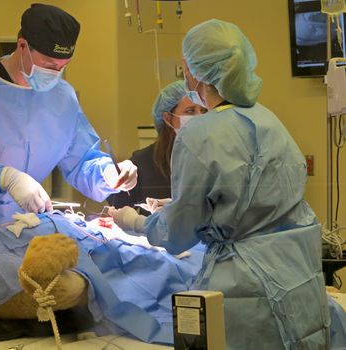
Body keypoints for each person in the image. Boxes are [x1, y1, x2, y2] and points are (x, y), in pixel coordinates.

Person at [109, 19, 331, 349]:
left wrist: (135, 222)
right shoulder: (268, 120)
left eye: (185, 66)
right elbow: (254, 196)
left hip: (249, 295)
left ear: (196, 73)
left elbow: (179, 233)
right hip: (299, 281)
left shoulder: (199, 134)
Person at [0, 3, 137, 256]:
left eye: (63, 66)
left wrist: (109, 173)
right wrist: (5, 178)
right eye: (49, 64)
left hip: (19, 241)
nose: (56, 73)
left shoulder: (62, 98)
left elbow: (80, 161)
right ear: (22, 46)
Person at [106, 80, 206, 215]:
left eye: (204, 110)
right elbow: (117, 206)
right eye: (190, 111)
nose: (200, 116)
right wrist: (111, 178)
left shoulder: (214, 157)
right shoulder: (143, 162)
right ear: (168, 118)